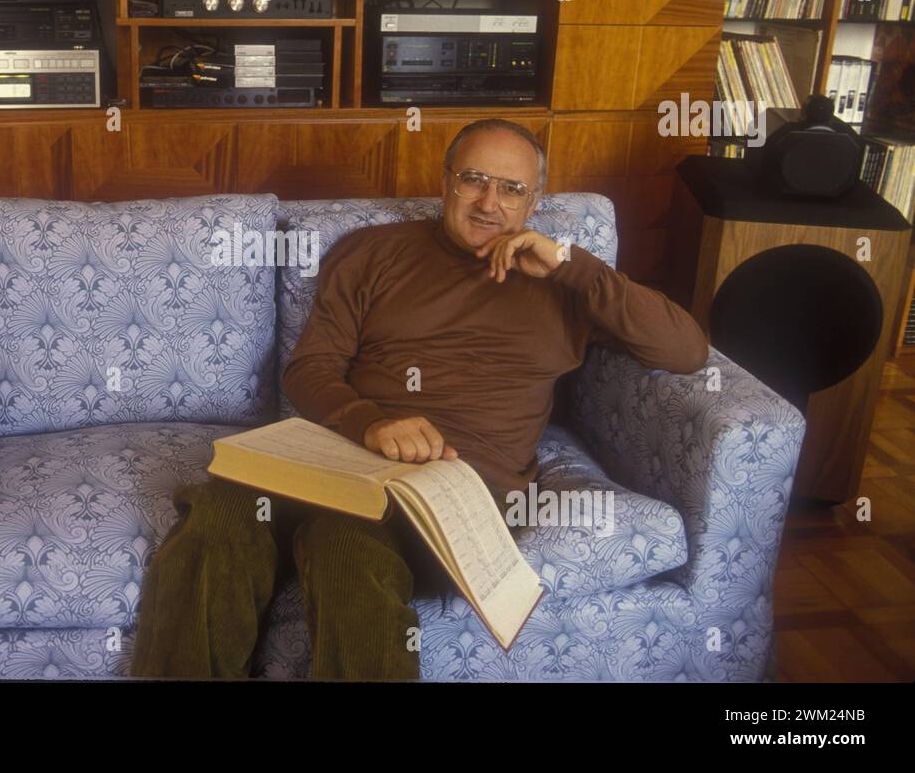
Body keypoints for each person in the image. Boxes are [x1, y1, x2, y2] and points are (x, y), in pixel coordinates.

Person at [130, 118, 709, 680]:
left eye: (512, 189)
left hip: (455, 483)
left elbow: (685, 351)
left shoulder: (569, 285)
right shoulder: (373, 253)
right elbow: (310, 367)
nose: (489, 202)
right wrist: (369, 421)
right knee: (223, 511)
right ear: (445, 181)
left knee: (345, 541)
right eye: (473, 180)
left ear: (534, 203)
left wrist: (568, 265)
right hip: (342, 455)